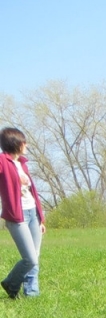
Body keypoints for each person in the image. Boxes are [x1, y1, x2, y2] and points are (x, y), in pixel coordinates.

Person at [1, 127, 45, 300]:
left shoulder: (23, 163)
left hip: (33, 213)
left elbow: (32, 192)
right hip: (17, 217)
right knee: (30, 259)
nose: (26, 144)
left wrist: (41, 218)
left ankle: (32, 293)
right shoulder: (2, 162)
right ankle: (11, 283)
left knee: (35, 256)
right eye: (23, 141)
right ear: (15, 143)